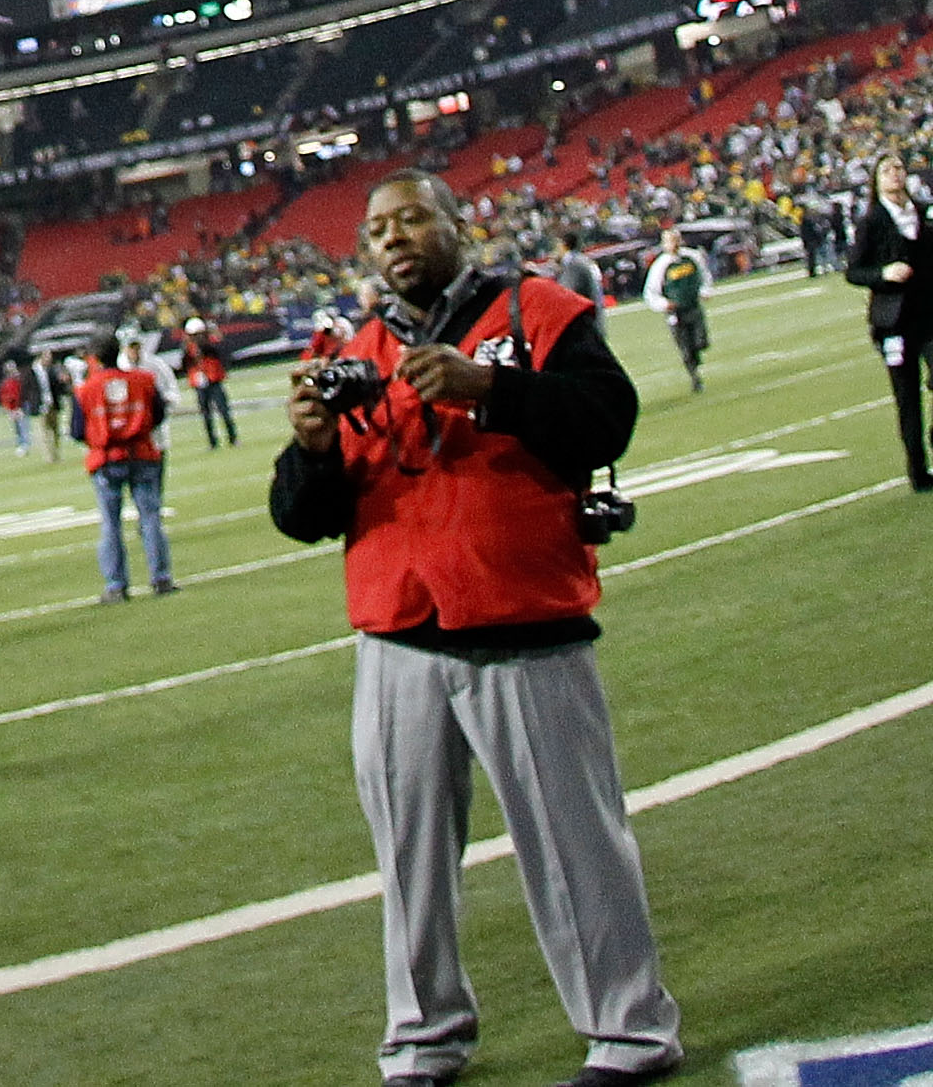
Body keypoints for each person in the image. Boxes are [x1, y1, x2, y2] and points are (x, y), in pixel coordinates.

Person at [272, 170, 681, 1087]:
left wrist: (489, 386)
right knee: (408, 860)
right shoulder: (357, 348)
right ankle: (422, 1038)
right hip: (395, 637)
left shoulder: (537, 309)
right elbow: (304, 515)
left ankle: (629, 1031)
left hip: (520, 622)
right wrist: (306, 447)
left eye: (411, 216)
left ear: (456, 225)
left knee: (574, 842)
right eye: (376, 228)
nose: (392, 237)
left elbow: (605, 420)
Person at [848, 156, 933, 492]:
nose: (895, 175)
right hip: (894, 320)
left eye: (899, 169)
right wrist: (883, 273)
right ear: (876, 181)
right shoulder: (872, 221)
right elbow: (854, 271)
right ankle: (918, 471)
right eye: (886, 170)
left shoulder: (918, 213)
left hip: (931, 312)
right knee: (907, 397)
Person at [78, 335, 175, 603]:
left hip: (107, 459)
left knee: (110, 523)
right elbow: (159, 414)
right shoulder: (143, 380)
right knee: (150, 518)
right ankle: (161, 577)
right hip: (142, 454)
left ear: (95, 358)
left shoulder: (87, 389)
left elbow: (77, 429)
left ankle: (116, 585)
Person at [644, 230, 710, 398]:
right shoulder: (661, 265)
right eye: (670, 241)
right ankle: (695, 377)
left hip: (693, 307)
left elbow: (704, 276)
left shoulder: (691, 257)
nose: (674, 244)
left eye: (676, 240)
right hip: (676, 313)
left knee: (701, 341)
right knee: (685, 348)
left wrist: (704, 291)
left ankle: (695, 359)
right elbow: (651, 292)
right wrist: (664, 304)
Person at [181, 319, 239, 445]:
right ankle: (212, 442)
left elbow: (220, 352)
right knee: (206, 415)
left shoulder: (211, 343)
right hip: (200, 383)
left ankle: (232, 437)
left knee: (224, 410)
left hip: (214, 380)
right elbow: (185, 364)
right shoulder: (188, 347)